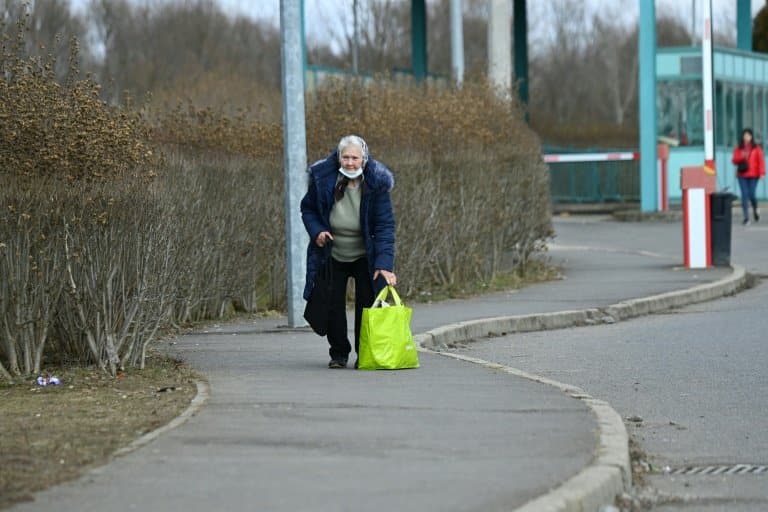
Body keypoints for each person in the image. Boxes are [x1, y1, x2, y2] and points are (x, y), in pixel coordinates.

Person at [301, 135, 396, 369]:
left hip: (366, 255)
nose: (350, 162)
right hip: (332, 252)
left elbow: (385, 226)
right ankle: (339, 353)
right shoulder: (324, 179)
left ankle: (364, 353)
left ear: (364, 159)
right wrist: (318, 232)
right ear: (338, 157)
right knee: (332, 305)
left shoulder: (376, 184)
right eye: (345, 157)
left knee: (367, 304)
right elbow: (308, 209)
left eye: (355, 158)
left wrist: (384, 265)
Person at [731, 128, 765, 225]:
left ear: (751, 137)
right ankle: (746, 217)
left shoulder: (756, 148)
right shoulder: (739, 148)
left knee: (751, 194)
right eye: (745, 135)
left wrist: (762, 173)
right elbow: (734, 160)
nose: (746, 137)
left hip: (754, 175)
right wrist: (742, 156)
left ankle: (755, 209)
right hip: (742, 174)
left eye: (748, 135)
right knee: (744, 195)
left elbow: (760, 161)